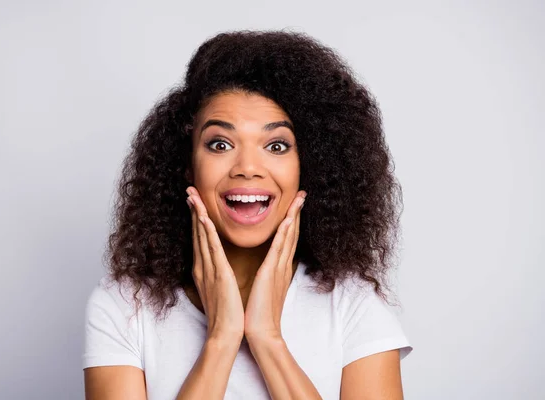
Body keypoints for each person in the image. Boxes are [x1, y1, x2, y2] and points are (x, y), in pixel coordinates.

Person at [83, 29, 413, 399]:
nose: (248, 168)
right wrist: (221, 339)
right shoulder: (125, 305)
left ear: (310, 167)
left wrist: (267, 338)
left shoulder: (353, 306)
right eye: (220, 144)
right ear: (187, 166)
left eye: (276, 145)